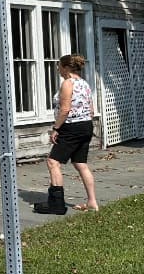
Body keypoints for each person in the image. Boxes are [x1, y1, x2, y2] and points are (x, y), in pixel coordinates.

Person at [34, 53, 98, 214]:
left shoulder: (68, 83)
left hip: (71, 127)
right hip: (86, 126)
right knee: (80, 163)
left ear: (66, 67)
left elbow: (65, 109)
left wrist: (56, 129)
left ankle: (56, 205)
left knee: (53, 162)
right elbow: (90, 110)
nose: (58, 69)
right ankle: (92, 202)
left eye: (59, 66)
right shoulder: (84, 84)